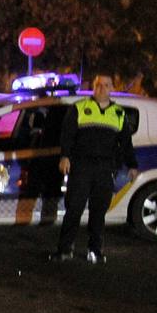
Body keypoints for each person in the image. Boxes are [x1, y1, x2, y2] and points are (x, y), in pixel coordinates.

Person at [50, 74, 139, 264]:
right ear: (93, 87)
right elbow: (67, 135)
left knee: (99, 211)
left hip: (105, 169)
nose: (102, 89)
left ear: (112, 88)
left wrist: (132, 165)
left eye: (106, 85)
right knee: (74, 208)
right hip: (81, 166)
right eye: (99, 85)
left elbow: (125, 143)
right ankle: (65, 249)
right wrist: (65, 156)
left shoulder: (119, 113)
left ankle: (94, 250)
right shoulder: (80, 108)